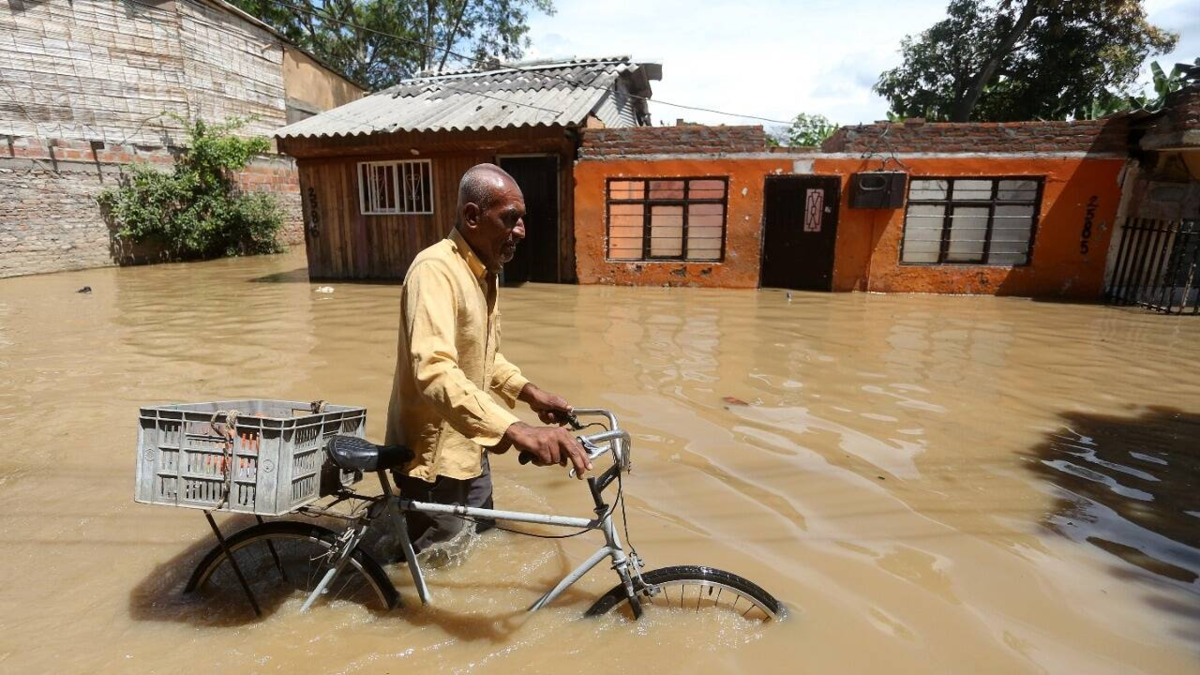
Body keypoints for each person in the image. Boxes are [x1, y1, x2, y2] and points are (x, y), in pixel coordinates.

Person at [384, 163, 592, 557]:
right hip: (434, 459)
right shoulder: (435, 271)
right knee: (433, 570)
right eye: (510, 219)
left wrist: (529, 393)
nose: (521, 231)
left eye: (522, 220)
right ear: (472, 216)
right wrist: (516, 429)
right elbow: (434, 372)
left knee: (478, 546)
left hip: (471, 446)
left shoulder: (484, 272)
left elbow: (482, 355)